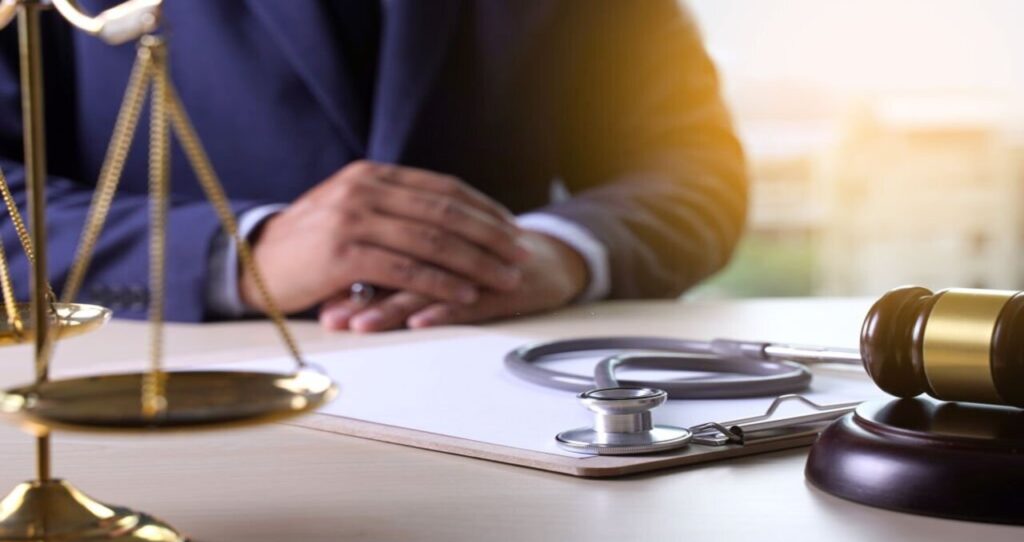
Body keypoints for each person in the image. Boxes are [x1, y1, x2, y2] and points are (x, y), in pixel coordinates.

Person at [0, 0, 747, 332]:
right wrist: (236, 251)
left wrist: (561, 252)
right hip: (157, 409)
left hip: (503, 390)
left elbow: (691, 164)